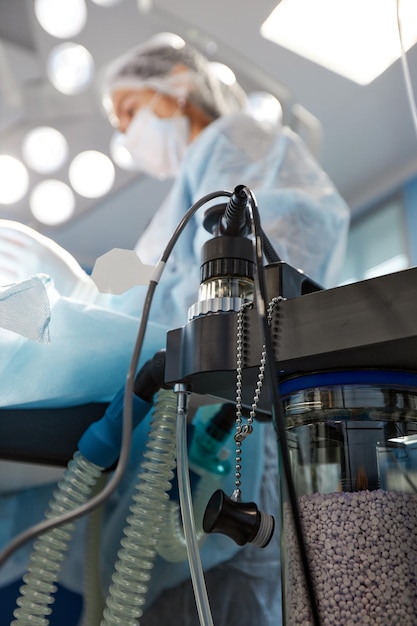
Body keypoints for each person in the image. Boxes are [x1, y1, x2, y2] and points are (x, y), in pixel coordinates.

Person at [0, 33, 350, 625]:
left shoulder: (238, 143)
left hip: (221, 439)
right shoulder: (177, 203)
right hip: (171, 468)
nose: (126, 132)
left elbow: (269, 267)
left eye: (131, 110)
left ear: (179, 85)